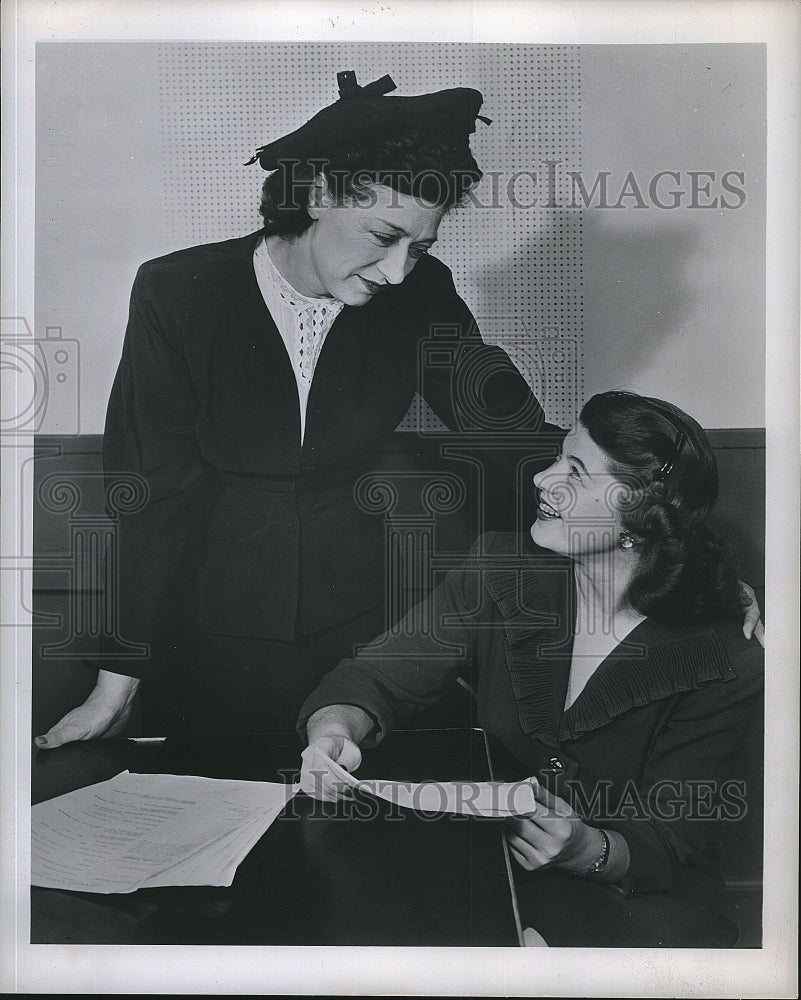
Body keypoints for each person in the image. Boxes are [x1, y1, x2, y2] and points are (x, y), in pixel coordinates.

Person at [34, 71, 551, 746]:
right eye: (381, 235)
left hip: (357, 637)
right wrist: (116, 682)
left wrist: (673, 555)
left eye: (418, 247)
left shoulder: (420, 296)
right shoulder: (179, 292)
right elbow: (152, 492)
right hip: (205, 636)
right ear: (316, 193)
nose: (397, 271)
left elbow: (508, 437)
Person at [298, 390, 765, 948]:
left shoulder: (726, 656)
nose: (543, 480)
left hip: (637, 905)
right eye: (555, 459)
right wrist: (333, 732)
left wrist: (585, 849)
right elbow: (374, 677)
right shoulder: (500, 569)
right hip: (488, 870)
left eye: (575, 470)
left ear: (639, 516)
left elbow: (668, 839)